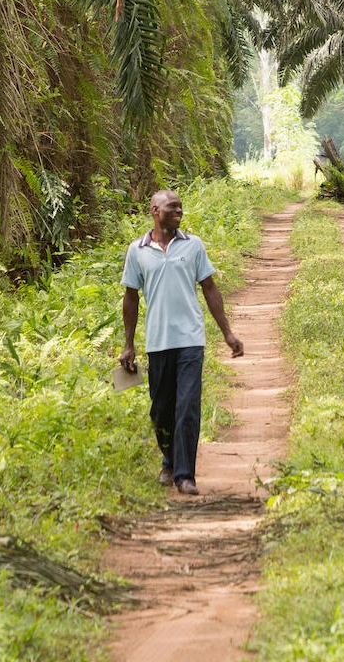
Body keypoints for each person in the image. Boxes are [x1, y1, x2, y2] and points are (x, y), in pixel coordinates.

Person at [119, 189, 243, 496]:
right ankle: (169, 460)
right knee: (161, 410)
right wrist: (128, 344)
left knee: (187, 405)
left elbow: (210, 287)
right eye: (172, 207)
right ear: (154, 210)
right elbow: (131, 297)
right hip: (158, 342)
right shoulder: (138, 250)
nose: (179, 212)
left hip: (190, 339)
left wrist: (227, 332)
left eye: (180, 208)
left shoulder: (193, 245)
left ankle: (185, 475)